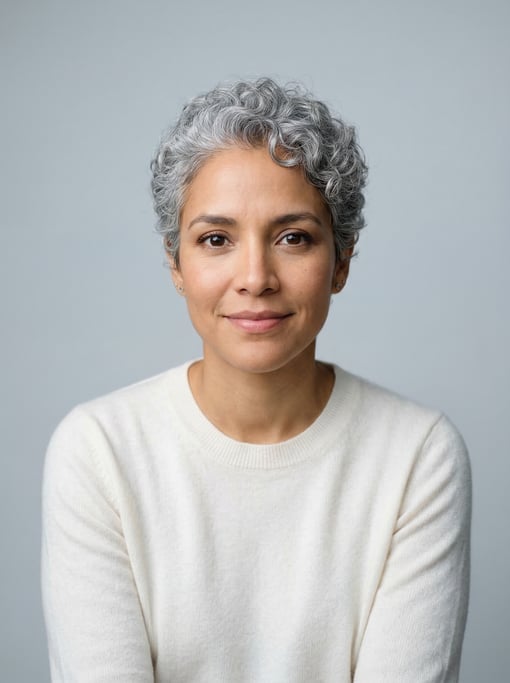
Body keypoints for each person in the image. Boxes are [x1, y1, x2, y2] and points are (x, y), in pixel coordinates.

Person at [41, 77, 471, 682]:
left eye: (293, 238)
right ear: (176, 264)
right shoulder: (99, 450)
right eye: (216, 239)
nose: (255, 277)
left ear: (341, 261)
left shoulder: (417, 454)